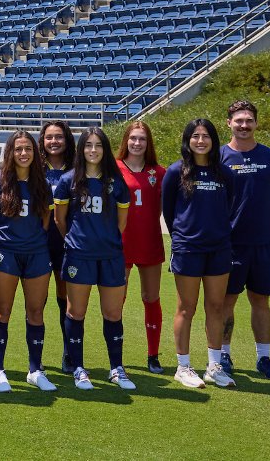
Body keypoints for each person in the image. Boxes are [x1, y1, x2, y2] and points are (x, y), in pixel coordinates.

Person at [53, 127, 134, 391]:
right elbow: (60, 219)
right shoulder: (68, 181)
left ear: (105, 149)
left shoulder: (116, 182)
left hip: (110, 256)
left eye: (98, 145)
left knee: (113, 313)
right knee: (76, 312)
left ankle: (116, 368)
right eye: (88, 145)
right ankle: (78, 367)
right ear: (81, 149)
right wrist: (78, 241)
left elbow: (121, 223)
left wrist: (104, 240)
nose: (93, 150)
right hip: (79, 255)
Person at [0, 130, 57, 392]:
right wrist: (3, 245)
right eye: (18, 149)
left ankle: (35, 370)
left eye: (28, 149)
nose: (23, 154)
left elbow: (46, 221)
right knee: (2, 312)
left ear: (35, 154)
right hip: (6, 254)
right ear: (9, 152)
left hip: (36, 254)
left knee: (35, 311)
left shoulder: (42, 183)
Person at [219, 99, 270, 380]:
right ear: (229, 123)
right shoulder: (220, 158)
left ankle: (264, 358)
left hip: (263, 243)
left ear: (256, 123)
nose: (244, 125)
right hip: (230, 244)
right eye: (239, 120)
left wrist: (260, 217)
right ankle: (223, 356)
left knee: (261, 301)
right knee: (227, 301)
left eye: (249, 120)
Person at [163, 119, 236, 389]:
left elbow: (228, 207)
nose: (201, 141)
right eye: (196, 136)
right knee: (186, 307)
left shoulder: (225, 174)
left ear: (214, 141)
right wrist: (183, 237)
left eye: (206, 136)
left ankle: (214, 366)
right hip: (188, 248)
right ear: (188, 140)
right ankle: (183, 367)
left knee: (216, 307)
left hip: (219, 249)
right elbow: (169, 212)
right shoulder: (175, 172)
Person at [116, 120, 168, 374]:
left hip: (149, 243)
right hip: (121, 244)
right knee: (118, 300)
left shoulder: (159, 173)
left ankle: (153, 355)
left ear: (148, 144)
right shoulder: (113, 169)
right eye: (133, 138)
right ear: (126, 140)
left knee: (151, 298)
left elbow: (161, 209)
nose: (137, 143)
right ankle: (117, 358)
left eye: (142, 139)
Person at [40, 120, 78, 372]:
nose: (54, 142)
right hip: (40, 243)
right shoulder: (34, 168)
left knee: (66, 300)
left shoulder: (77, 169)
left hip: (67, 241)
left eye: (59, 137)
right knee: (37, 301)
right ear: (42, 141)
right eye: (49, 137)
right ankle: (37, 355)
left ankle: (68, 353)